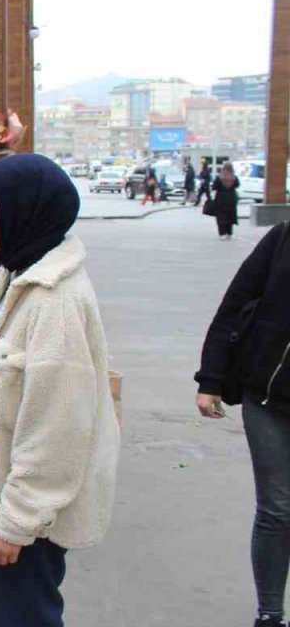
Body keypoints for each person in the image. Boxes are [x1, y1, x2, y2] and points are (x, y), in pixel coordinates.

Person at [0, 154, 120, 627]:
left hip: (23, 520)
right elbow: (6, 356)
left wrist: (18, 523)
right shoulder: (16, 273)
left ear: (21, 208)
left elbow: (57, 429)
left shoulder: (54, 299)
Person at [195, 222, 290, 627]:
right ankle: (270, 613)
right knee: (277, 508)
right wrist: (210, 380)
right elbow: (234, 306)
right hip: (266, 399)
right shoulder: (283, 238)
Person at [212, 162, 241, 240]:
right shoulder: (234, 177)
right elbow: (237, 185)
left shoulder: (219, 177)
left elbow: (214, 187)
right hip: (231, 198)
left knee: (221, 216)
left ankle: (222, 233)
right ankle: (229, 233)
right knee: (230, 216)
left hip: (221, 198)